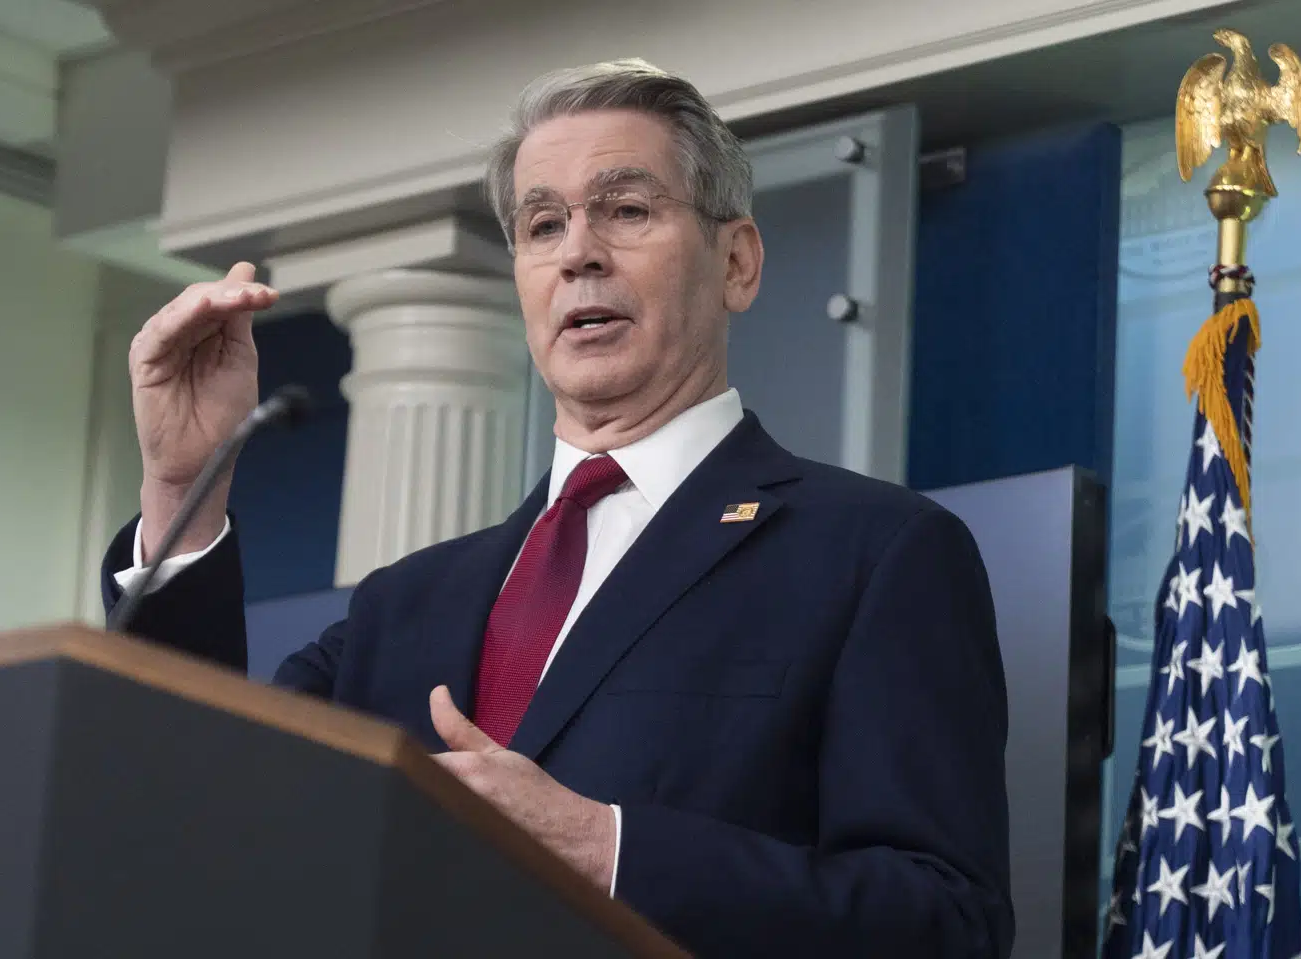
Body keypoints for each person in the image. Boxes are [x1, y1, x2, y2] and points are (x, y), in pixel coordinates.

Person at [101, 58, 1013, 957]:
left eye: (626, 209)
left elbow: (945, 922)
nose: (579, 252)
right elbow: (201, 804)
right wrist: (184, 484)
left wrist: (609, 849)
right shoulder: (399, 607)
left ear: (736, 262)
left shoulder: (873, 554)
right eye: (544, 225)